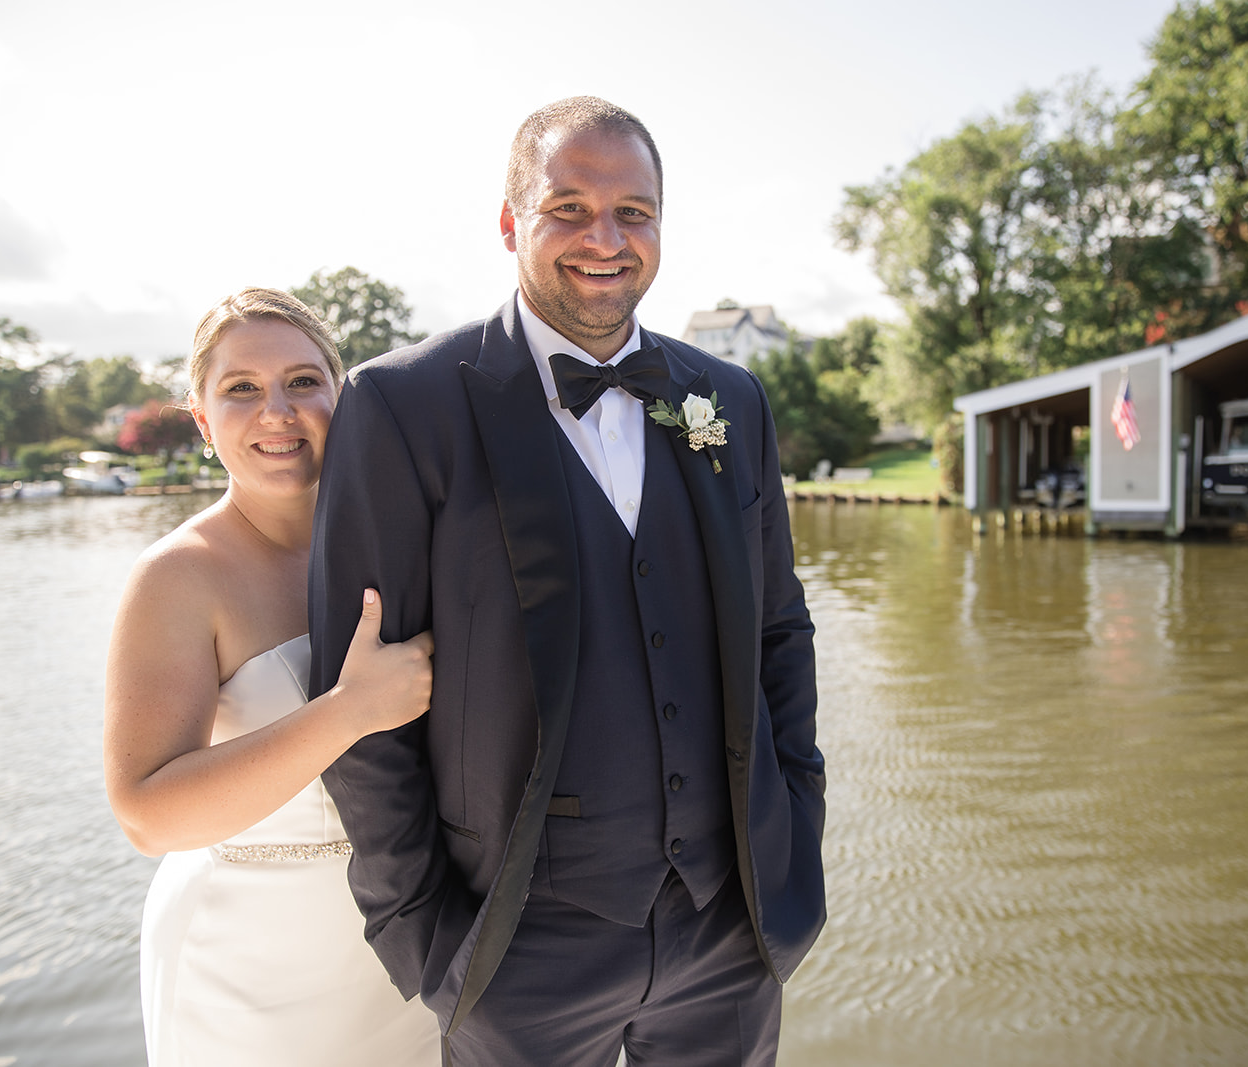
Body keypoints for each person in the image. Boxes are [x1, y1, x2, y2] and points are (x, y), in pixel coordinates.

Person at [308, 96, 826, 1066]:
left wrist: (795, 832)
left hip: (731, 934)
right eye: (569, 207)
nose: (605, 237)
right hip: (516, 951)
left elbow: (780, 636)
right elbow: (352, 701)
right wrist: (427, 936)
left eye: (634, 210)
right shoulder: (404, 405)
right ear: (510, 221)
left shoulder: (729, 400)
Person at [103, 288, 443, 1067]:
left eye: (302, 382)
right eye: (242, 389)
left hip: (412, 945)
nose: (277, 411)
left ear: (341, 391)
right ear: (199, 416)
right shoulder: (177, 577)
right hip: (250, 966)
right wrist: (348, 711)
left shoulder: (407, 540)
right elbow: (147, 816)